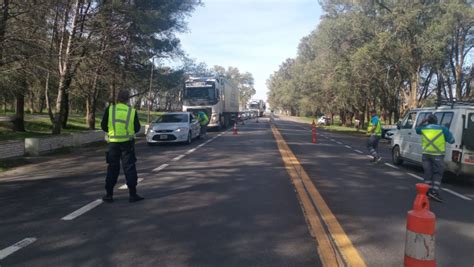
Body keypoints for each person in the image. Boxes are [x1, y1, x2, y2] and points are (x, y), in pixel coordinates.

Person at [100, 90, 144, 203]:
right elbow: (137, 127)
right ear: (127, 99)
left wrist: (112, 132)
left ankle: (109, 195)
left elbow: (103, 125)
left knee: (112, 168)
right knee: (129, 168)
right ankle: (132, 194)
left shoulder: (110, 109)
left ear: (117, 99)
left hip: (113, 143)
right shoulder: (131, 111)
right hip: (127, 144)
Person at [416, 114, 455, 202]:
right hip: (437, 155)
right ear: (437, 121)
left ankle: (426, 191)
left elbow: (416, 129)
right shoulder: (443, 129)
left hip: (426, 154)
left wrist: (422, 122)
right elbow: (452, 141)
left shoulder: (424, 128)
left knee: (427, 172)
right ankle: (434, 192)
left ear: (428, 121)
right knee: (437, 173)